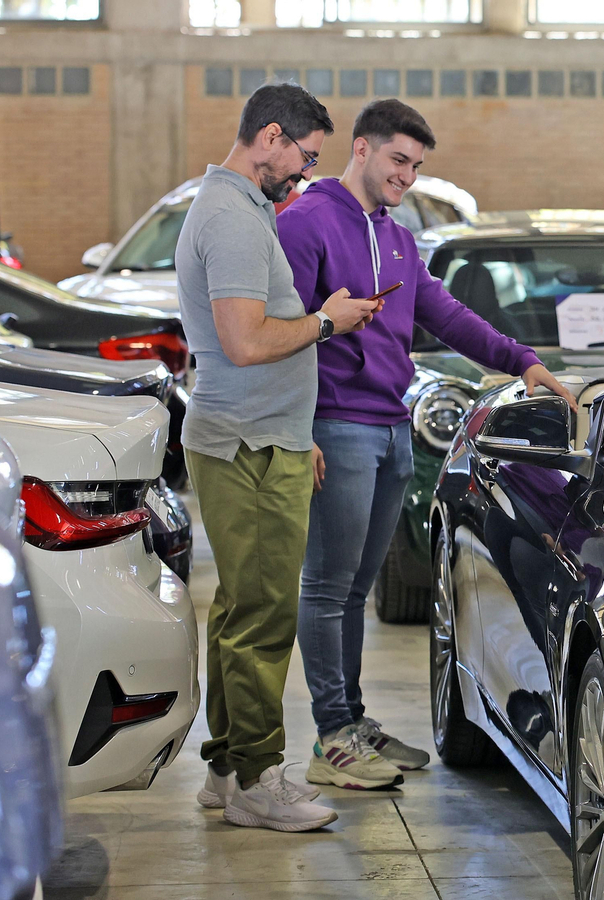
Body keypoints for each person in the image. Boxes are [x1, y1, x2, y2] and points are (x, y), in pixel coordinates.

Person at [277, 98, 574, 791]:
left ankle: (351, 720)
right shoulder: (308, 222)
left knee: (357, 590)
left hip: (388, 424)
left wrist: (519, 359)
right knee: (326, 584)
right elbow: (280, 331)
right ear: (361, 149)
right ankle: (330, 741)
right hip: (336, 425)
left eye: (416, 166)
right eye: (397, 161)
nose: (406, 177)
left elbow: (444, 312)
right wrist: (295, 427)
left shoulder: (399, 235)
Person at [177, 82, 381, 831]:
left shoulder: (244, 207)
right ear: (269, 137)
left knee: (239, 607)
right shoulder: (231, 217)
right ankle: (261, 779)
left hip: (268, 438)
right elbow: (246, 341)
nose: (304, 175)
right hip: (248, 447)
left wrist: (304, 431)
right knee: (263, 614)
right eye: (303, 157)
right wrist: (328, 322)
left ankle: (227, 769)